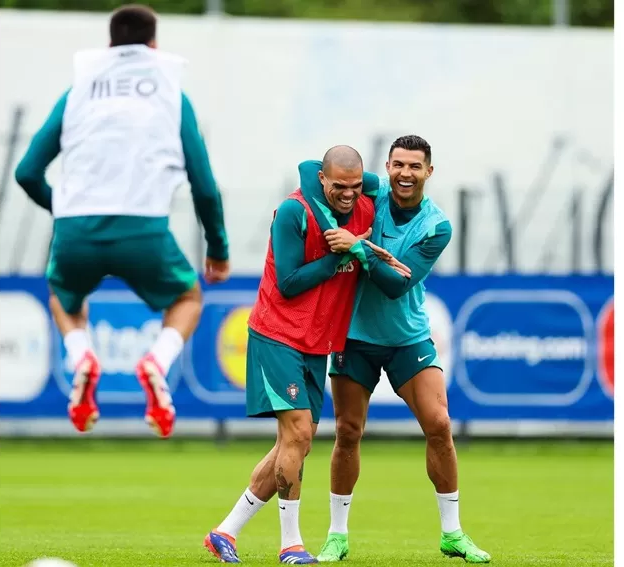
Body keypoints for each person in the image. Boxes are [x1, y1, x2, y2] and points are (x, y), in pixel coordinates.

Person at [14, 4, 229, 439]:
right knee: (187, 297)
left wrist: (66, 210)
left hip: (75, 230)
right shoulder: (171, 94)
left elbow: (26, 172)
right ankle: (156, 362)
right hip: (143, 229)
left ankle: (81, 358)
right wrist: (218, 251)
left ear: (109, 44)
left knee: (64, 297)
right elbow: (204, 185)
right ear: (154, 45)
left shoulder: (78, 91)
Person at [203, 146, 410, 565]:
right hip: (277, 334)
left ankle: (225, 532)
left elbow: (373, 183)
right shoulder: (293, 212)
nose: (349, 195)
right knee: (297, 434)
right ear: (321, 179)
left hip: (319, 342)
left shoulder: (365, 207)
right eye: (338, 187)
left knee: (295, 442)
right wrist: (340, 256)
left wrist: (357, 245)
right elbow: (288, 284)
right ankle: (291, 545)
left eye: (354, 186)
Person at [316, 135, 492, 563]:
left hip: (407, 338)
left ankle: (452, 533)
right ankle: (336, 536)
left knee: (439, 424)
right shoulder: (369, 191)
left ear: (429, 171)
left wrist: (358, 246)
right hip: (354, 335)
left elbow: (396, 285)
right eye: (398, 164)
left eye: (415, 166)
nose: (405, 173)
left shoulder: (436, 226)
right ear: (387, 167)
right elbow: (309, 171)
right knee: (347, 432)